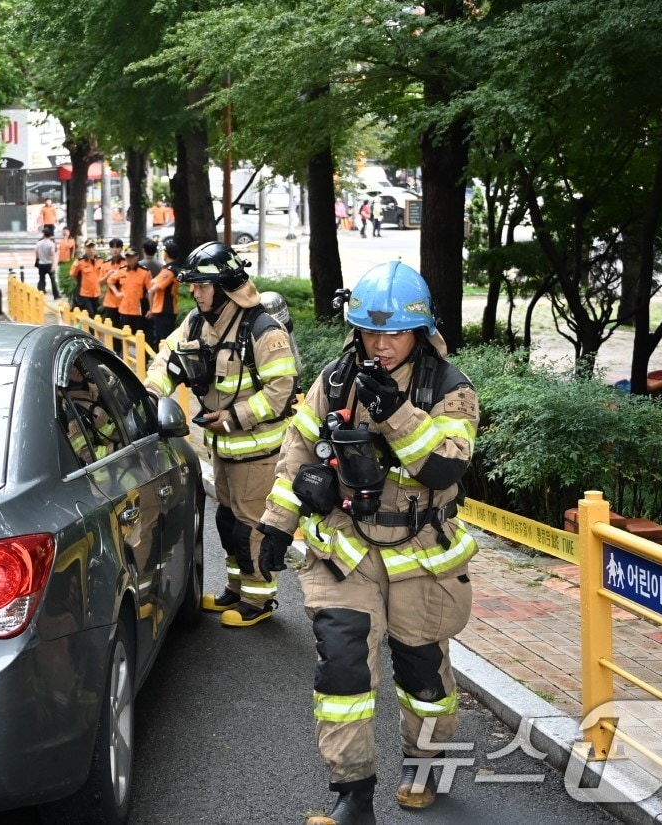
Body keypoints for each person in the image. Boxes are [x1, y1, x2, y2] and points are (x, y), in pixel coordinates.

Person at [254, 261, 479, 825]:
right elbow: (297, 454)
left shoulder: (449, 389)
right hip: (346, 552)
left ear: (421, 332)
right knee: (343, 672)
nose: (382, 345)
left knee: (422, 672)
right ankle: (352, 793)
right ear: (355, 329)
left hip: (419, 555)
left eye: (396, 332)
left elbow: (444, 471)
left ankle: (425, 762)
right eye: (371, 332)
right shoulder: (333, 380)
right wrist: (275, 524)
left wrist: (396, 414)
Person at [144, 242, 299, 627]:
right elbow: (169, 357)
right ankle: (235, 588)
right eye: (192, 286)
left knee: (251, 527)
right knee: (227, 523)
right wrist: (149, 394)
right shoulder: (198, 322)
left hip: (257, 452)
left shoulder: (263, 329)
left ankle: (258, 601)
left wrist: (233, 417)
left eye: (200, 286)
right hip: (223, 449)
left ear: (224, 285)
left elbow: (281, 391)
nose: (193, 293)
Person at [145, 241, 180, 350]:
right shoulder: (168, 269)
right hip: (162, 309)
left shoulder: (170, 271)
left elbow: (154, 288)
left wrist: (150, 309)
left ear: (166, 254)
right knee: (162, 338)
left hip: (165, 309)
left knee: (164, 340)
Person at [112, 247, 153, 337]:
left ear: (137, 257)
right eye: (127, 257)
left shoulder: (144, 272)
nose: (129, 259)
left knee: (138, 335)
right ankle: (124, 351)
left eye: (132, 256)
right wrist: (116, 293)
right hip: (124, 309)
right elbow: (110, 281)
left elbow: (150, 291)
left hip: (138, 310)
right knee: (124, 335)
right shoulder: (121, 270)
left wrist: (151, 309)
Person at [69, 240, 104, 316]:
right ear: (85, 248)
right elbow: (72, 274)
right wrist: (78, 283)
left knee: (95, 314)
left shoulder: (100, 260)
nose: (91, 250)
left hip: (96, 293)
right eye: (88, 247)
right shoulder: (80, 261)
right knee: (90, 314)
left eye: (92, 247)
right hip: (84, 294)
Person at [98, 238, 124, 323]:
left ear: (121, 249)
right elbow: (100, 283)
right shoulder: (105, 265)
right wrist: (107, 275)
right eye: (112, 247)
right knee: (112, 326)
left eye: (117, 247)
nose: (115, 250)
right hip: (110, 301)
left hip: (124, 301)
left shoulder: (126, 263)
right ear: (110, 249)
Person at [34, 226, 58, 300]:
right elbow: (52, 255)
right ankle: (56, 295)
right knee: (52, 280)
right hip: (49, 263)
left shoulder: (39, 243)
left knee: (41, 280)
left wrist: (37, 260)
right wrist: (54, 265)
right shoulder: (51, 244)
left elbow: (37, 253)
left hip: (41, 263)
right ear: (50, 235)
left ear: (44, 235)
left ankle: (40, 294)